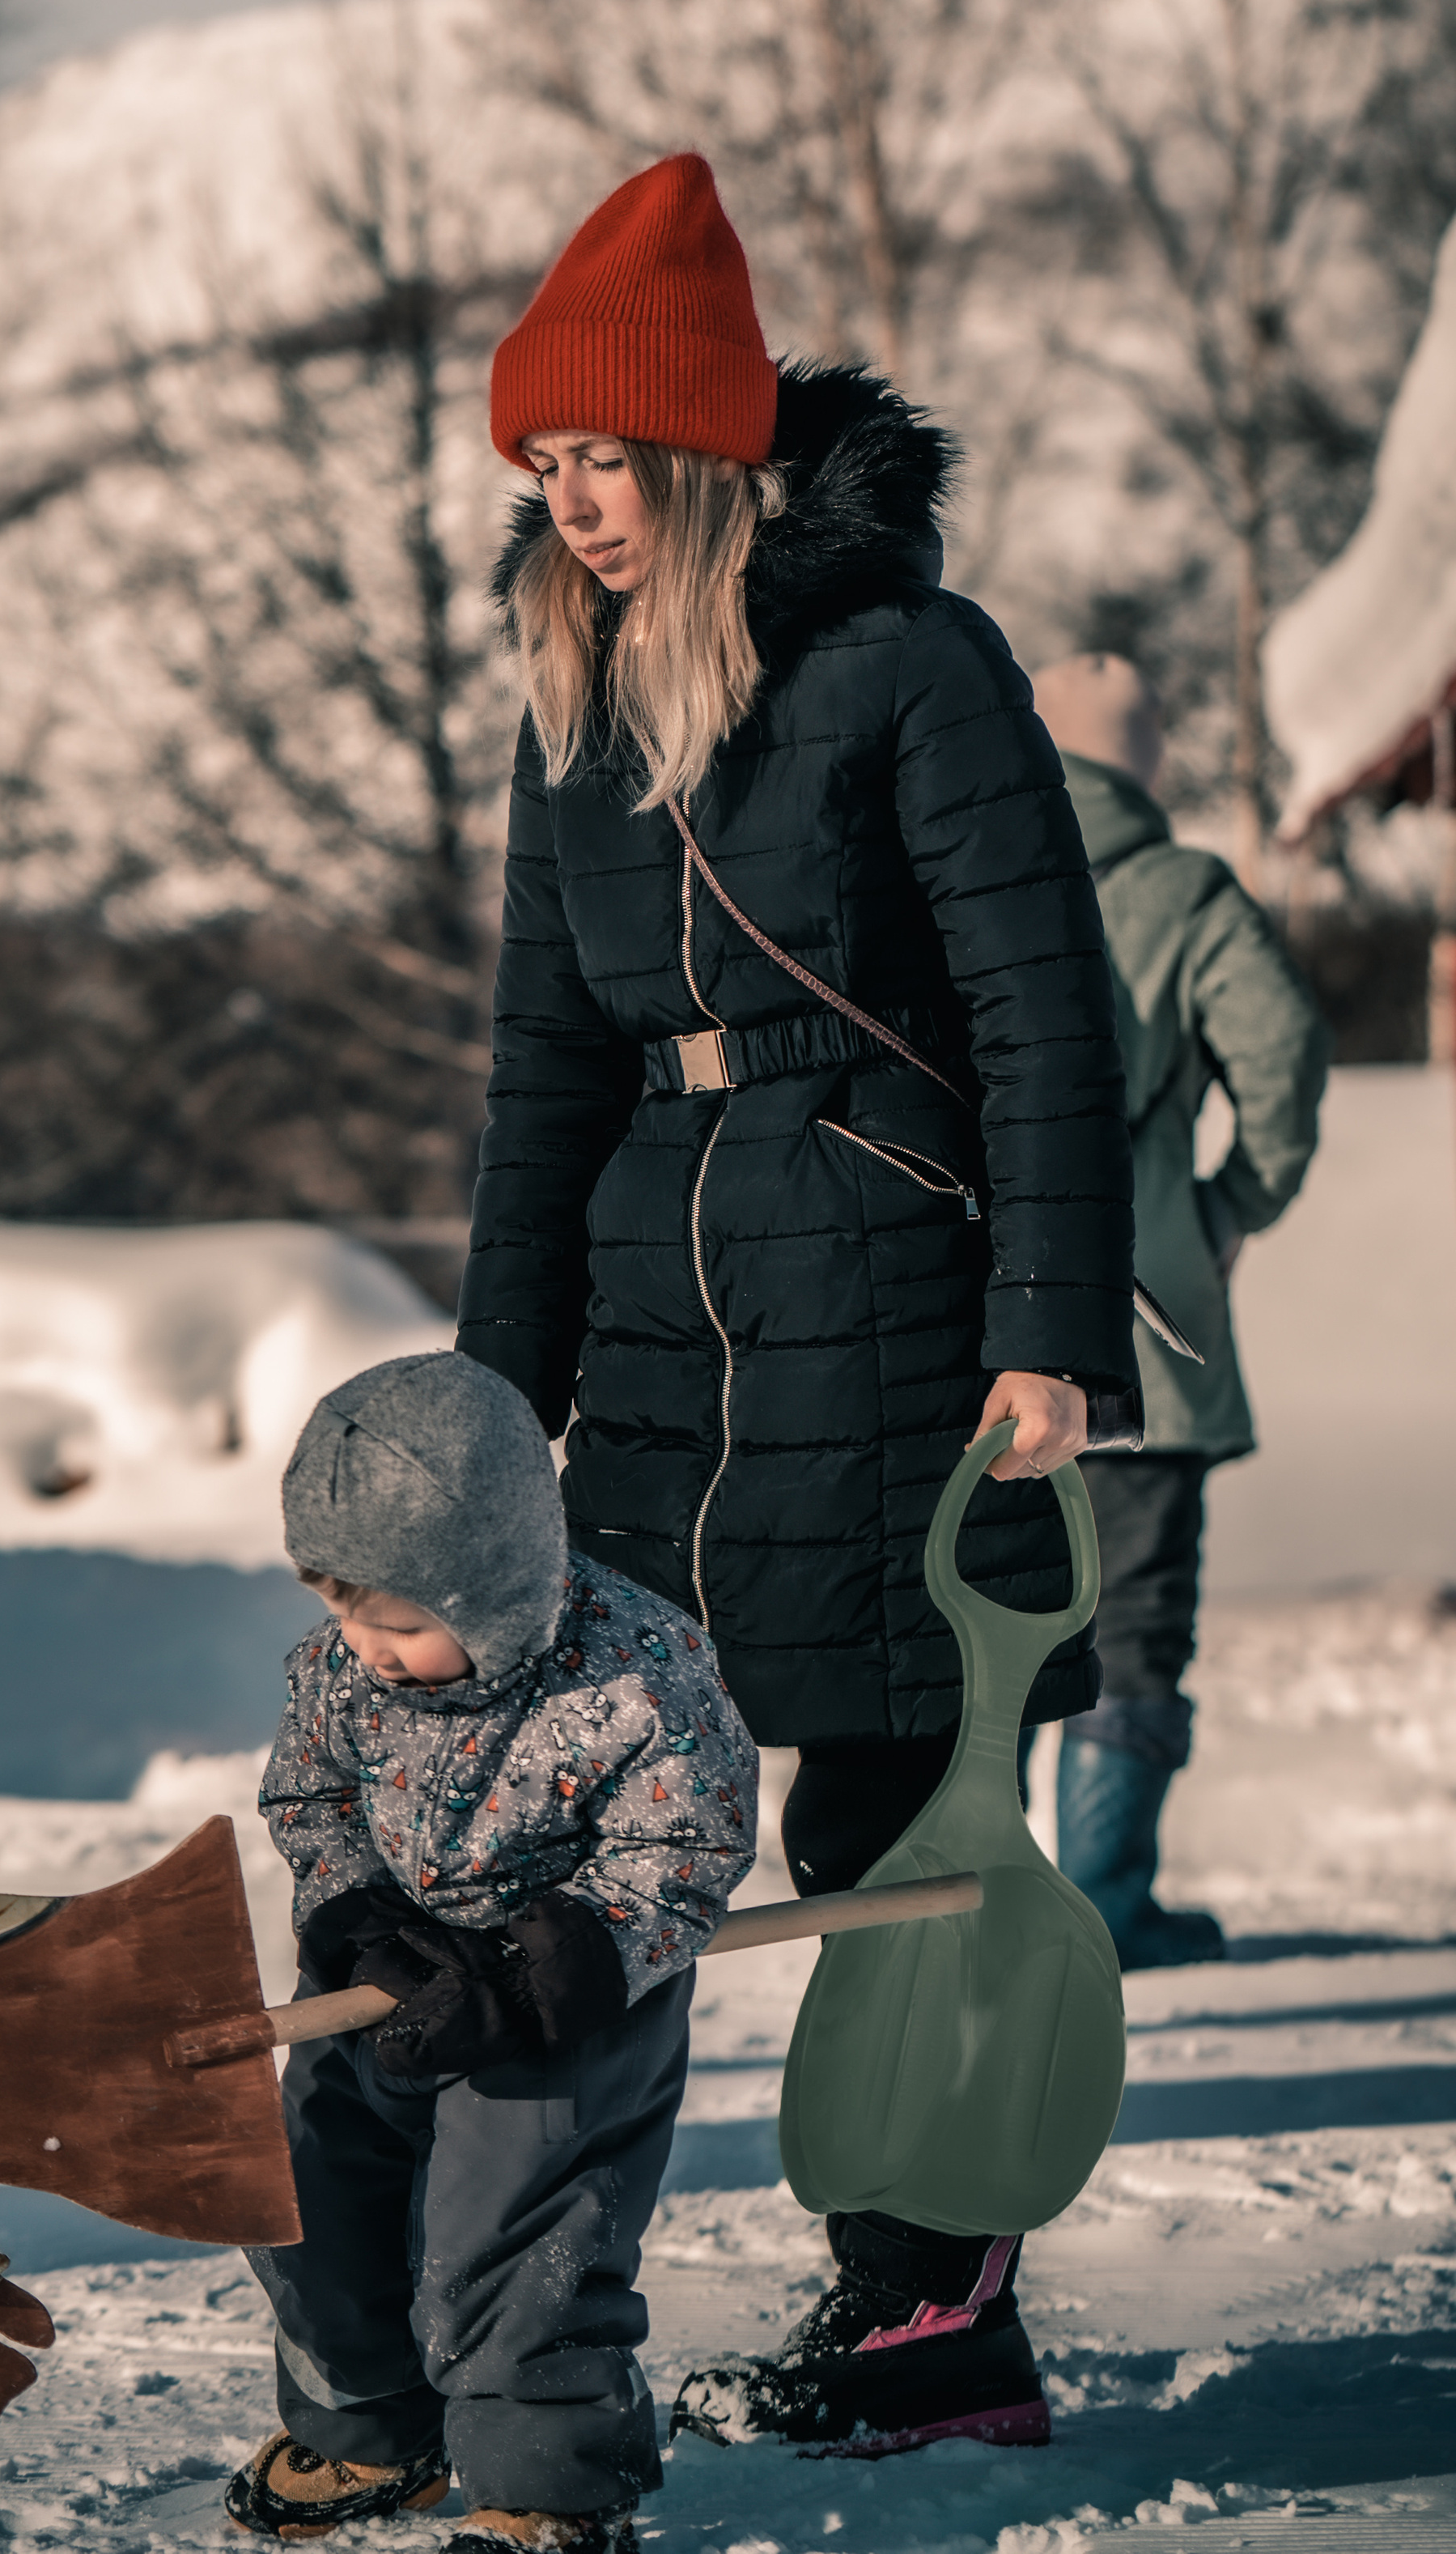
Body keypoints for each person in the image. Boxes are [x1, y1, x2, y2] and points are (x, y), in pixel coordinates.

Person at [454, 155, 1138, 2458]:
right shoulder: (565, 702)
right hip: (660, 1333)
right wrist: (488, 1400)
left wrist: (1049, 1331)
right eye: (541, 463)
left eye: (605, 455)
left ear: (707, 447)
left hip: (901, 1314)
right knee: (585, 1836)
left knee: (892, 1828)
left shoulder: (900, 669)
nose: (575, 501)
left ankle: (938, 2316)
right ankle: (534, 2327)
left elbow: (1049, 1011)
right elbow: (544, 1070)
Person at [231, 1352, 757, 2553]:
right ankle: (372, 2429)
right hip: (387, 1978)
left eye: (402, 1625)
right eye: (340, 1612)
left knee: (515, 2236)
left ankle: (546, 2488)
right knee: (311, 2186)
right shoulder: (337, 1671)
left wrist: (542, 1968)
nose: (364, 1649)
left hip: (567, 1996)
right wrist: (357, 1918)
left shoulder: (641, 1673)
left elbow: (686, 1843)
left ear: (498, 1589)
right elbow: (306, 1802)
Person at [1030, 652, 1329, 1966]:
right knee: (1134, 1610)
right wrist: (1226, 1209)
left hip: (966, 1316)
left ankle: (974, 1907)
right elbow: (1283, 1053)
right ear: (1143, 765)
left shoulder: (949, 866)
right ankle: (1100, 1899)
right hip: (1143, 1320)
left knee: (978, 1610)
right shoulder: (1185, 891)